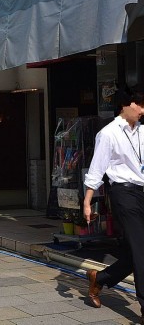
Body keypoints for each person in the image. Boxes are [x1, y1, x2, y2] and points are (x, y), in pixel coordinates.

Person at [82, 86, 144, 320]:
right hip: (123, 194)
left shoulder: (142, 131)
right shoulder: (108, 133)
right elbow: (97, 168)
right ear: (125, 104)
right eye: (140, 105)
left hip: (142, 192)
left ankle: (100, 279)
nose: (142, 110)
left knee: (137, 251)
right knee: (140, 250)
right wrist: (87, 201)